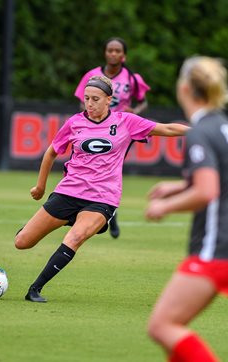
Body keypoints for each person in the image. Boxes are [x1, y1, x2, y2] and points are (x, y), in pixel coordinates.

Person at [15, 75, 189, 303]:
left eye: (95, 99)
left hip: (102, 198)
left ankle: (35, 289)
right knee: (22, 242)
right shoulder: (75, 123)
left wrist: (202, 130)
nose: (90, 103)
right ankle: (70, 218)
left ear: (109, 99)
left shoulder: (126, 121)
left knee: (75, 237)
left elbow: (166, 129)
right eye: (86, 98)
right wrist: (40, 187)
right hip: (69, 192)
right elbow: (51, 152)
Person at [145, 56, 228, 361]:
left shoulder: (199, 132)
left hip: (215, 249)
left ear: (183, 88)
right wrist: (179, 186)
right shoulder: (222, 126)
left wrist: (166, 206)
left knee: (163, 325)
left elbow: (208, 191)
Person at [74, 37, 151, 239]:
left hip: (120, 131)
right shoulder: (92, 75)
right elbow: (83, 101)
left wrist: (135, 110)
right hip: (95, 128)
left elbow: (143, 103)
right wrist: (89, 115)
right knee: (86, 166)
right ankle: (93, 207)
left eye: (117, 51)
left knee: (111, 169)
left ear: (123, 55)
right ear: (105, 53)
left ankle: (108, 210)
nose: (113, 54)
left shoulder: (132, 78)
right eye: (110, 50)